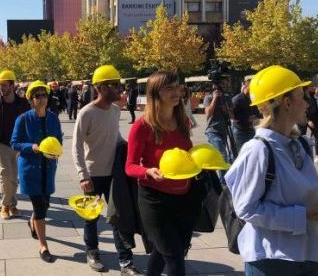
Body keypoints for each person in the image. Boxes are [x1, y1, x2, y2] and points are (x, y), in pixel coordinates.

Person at [226, 65, 318, 276]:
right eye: (302, 96)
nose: (308, 102)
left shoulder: (301, 144)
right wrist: (303, 215)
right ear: (287, 102)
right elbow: (246, 208)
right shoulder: (257, 150)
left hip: (309, 253)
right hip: (271, 259)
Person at [125, 71, 202, 276]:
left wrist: (201, 159)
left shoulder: (183, 121)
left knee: (162, 252)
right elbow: (130, 166)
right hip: (154, 200)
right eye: (169, 88)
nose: (176, 92)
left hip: (184, 197)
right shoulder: (142, 126)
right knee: (175, 259)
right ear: (155, 93)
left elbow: (186, 152)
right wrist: (148, 171)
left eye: (177, 86)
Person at [72, 65, 142, 275]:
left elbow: (115, 137)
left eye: (119, 84)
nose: (119, 89)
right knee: (91, 217)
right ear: (101, 88)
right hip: (93, 176)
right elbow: (76, 145)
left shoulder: (114, 110)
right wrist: (82, 175)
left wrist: (129, 148)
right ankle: (92, 251)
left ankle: (125, 262)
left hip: (114, 174)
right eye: (114, 85)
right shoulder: (86, 113)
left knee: (117, 218)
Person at [11, 80, 62, 263]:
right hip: (30, 170)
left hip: (48, 169)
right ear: (31, 100)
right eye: (37, 96)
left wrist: (57, 150)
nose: (42, 99)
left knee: (45, 205)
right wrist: (30, 146)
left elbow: (58, 139)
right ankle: (43, 245)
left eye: (44, 95)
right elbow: (14, 143)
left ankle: (33, 222)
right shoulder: (23, 119)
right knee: (40, 208)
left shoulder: (53, 118)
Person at [0, 70, 30, 219]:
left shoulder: (23, 103)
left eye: (4, 85)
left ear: (12, 85)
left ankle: (13, 204)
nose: (1, 88)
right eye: (0, 86)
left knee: (14, 177)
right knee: (5, 175)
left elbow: (30, 121)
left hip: (18, 145)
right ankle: (5, 205)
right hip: (2, 144)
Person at [203, 79, 234, 166]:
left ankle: (223, 176)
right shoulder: (208, 97)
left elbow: (232, 116)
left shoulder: (227, 98)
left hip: (224, 131)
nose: (219, 88)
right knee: (222, 155)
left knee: (222, 156)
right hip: (212, 130)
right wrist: (215, 98)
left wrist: (226, 109)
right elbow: (208, 114)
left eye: (221, 86)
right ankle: (222, 179)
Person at [231, 79, 260, 152]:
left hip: (251, 130)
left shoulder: (253, 98)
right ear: (246, 87)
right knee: (240, 153)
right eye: (252, 88)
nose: (253, 91)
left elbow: (258, 112)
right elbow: (232, 116)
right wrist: (247, 118)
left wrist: (256, 116)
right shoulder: (237, 99)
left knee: (252, 151)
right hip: (239, 131)